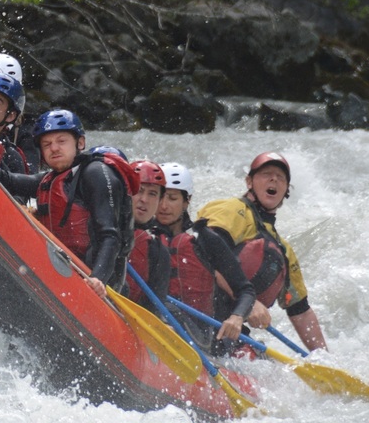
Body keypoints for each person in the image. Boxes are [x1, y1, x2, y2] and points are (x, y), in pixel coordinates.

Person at [0, 110, 138, 298]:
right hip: (63, 273)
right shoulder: (50, 180)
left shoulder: (94, 173)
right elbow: (10, 180)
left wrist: (98, 278)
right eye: (47, 144)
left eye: (61, 141)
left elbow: (110, 235)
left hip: (97, 280)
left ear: (80, 143)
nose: (54, 148)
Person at [196, 152, 328, 352]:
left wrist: (324, 359)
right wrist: (248, 303)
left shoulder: (283, 249)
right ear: (249, 182)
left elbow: (300, 312)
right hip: (195, 311)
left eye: (280, 177)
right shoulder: (232, 210)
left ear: (286, 191)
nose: (274, 179)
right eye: (266, 174)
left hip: (229, 326)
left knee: (266, 366)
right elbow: (204, 257)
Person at [156, 162, 257, 355]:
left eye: (172, 198)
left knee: (172, 311)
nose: (164, 205)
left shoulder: (203, 239)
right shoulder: (143, 235)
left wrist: (236, 317)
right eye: (159, 196)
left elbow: (246, 290)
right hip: (154, 322)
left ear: (187, 201)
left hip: (198, 337)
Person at [123, 160, 172, 311]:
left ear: (159, 201)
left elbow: (153, 309)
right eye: (139, 190)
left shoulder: (158, 251)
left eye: (152, 194)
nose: (144, 199)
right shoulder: (101, 225)